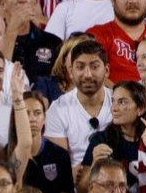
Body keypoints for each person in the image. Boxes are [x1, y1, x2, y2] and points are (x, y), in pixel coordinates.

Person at [45, 37, 111, 169]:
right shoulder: (58, 109)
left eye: (94, 67)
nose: (87, 74)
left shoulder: (120, 102)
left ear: (107, 70)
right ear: (71, 72)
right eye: (80, 67)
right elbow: (58, 166)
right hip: (75, 183)